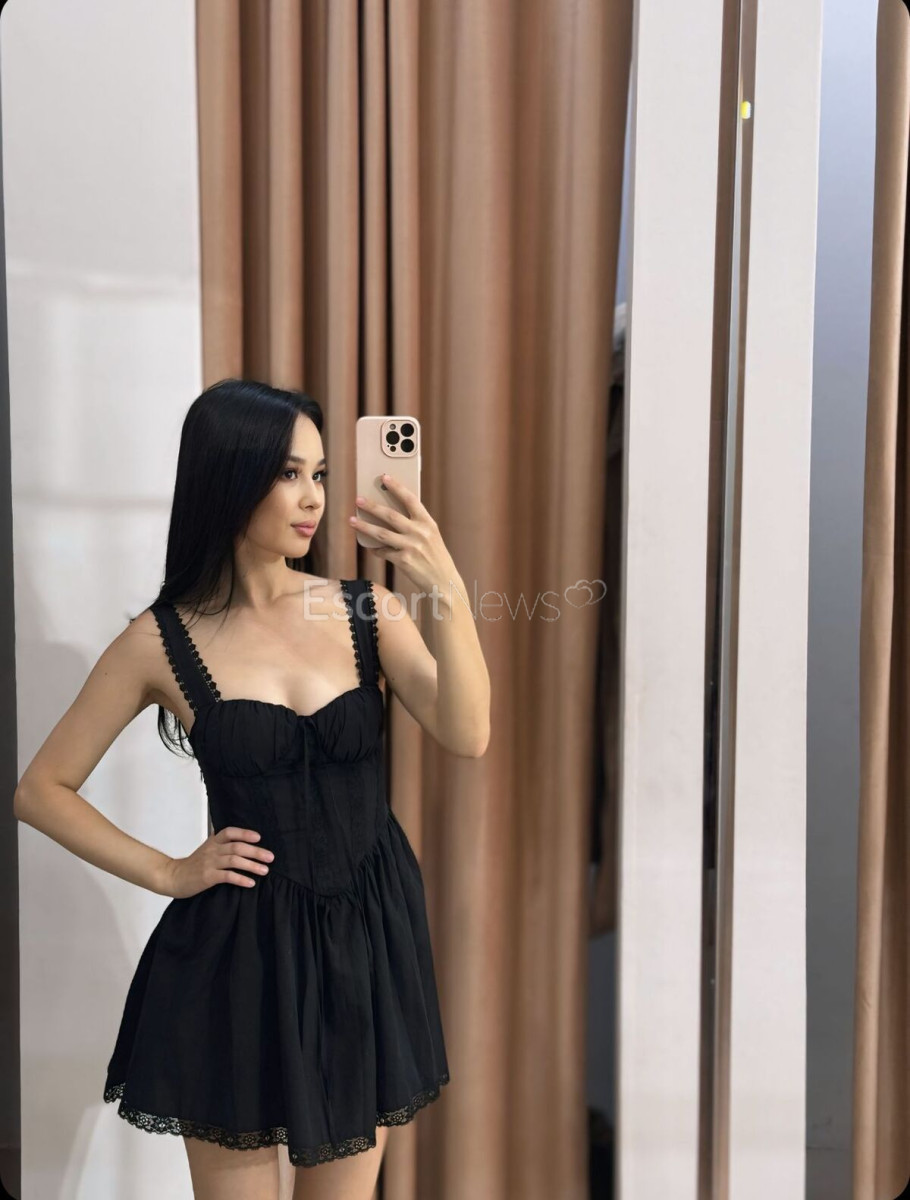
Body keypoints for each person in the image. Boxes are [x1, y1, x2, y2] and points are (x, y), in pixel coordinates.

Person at [13, 378, 491, 1200]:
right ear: (231, 478)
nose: (313, 498)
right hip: (235, 956)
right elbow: (41, 789)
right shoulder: (161, 640)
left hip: (363, 941)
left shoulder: (367, 611)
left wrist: (441, 582)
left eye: (320, 474)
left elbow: (468, 731)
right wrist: (169, 871)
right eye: (289, 474)